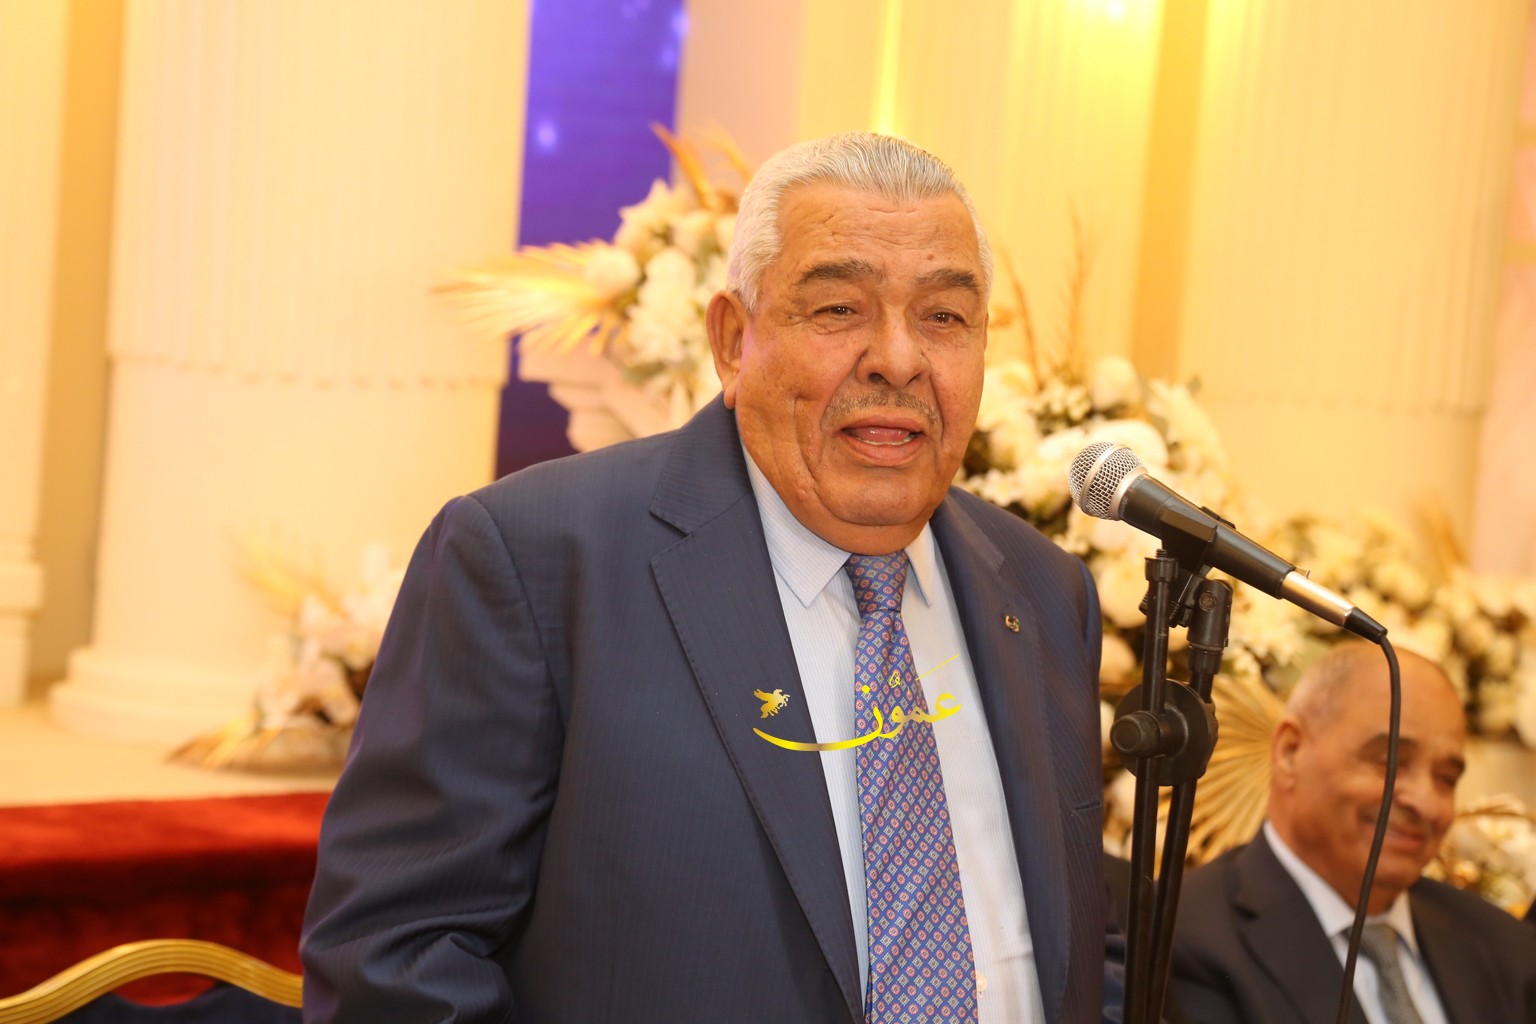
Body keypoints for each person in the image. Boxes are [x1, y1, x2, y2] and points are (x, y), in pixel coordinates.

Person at [301, 132, 1124, 1023]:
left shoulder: (1045, 592)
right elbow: (396, 962)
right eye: (839, 309)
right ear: (734, 341)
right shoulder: (534, 563)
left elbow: (1083, 943)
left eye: (945, 318)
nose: (899, 358)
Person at [1170, 642, 1536, 1023]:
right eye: (1390, 762)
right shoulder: (1182, 937)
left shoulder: (1505, 947)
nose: (1426, 804)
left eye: (1445, 779)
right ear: (1290, 751)